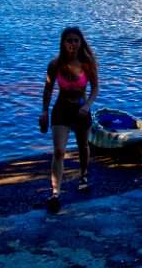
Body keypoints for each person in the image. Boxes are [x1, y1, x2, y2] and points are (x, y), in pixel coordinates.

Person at [39, 27, 100, 213]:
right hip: (61, 109)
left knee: (83, 146)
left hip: (81, 110)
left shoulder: (87, 62)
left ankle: (83, 176)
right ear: (63, 43)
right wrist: (44, 112)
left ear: (80, 42)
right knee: (59, 151)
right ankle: (56, 192)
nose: (73, 44)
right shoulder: (54, 65)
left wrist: (87, 105)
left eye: (76, 40)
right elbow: (48, 90)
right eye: (69, 40)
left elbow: (95, 88)